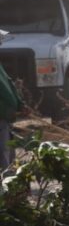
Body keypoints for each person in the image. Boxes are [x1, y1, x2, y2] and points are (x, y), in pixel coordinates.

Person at [0, 36, 23, 171]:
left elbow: (8, 85)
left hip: (4, 117)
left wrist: (20, 104)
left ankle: (11, 182)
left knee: (8, 149)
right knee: (4, 150)